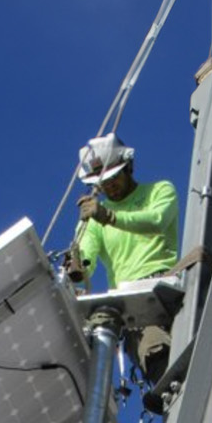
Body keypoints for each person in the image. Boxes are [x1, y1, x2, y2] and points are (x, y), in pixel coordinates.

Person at [65, 134, 180, 387]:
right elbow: (86, 259)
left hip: (169, 289)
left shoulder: (159, 191)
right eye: (102, 182)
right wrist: (76, 264)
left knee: (197, 358)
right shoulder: (94, 220)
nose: (109, 186)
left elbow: (157, 221)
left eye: (113, 177)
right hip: (134, 304)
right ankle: (173, 393)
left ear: (129, 167)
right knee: (154, 350)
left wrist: (110, 217)